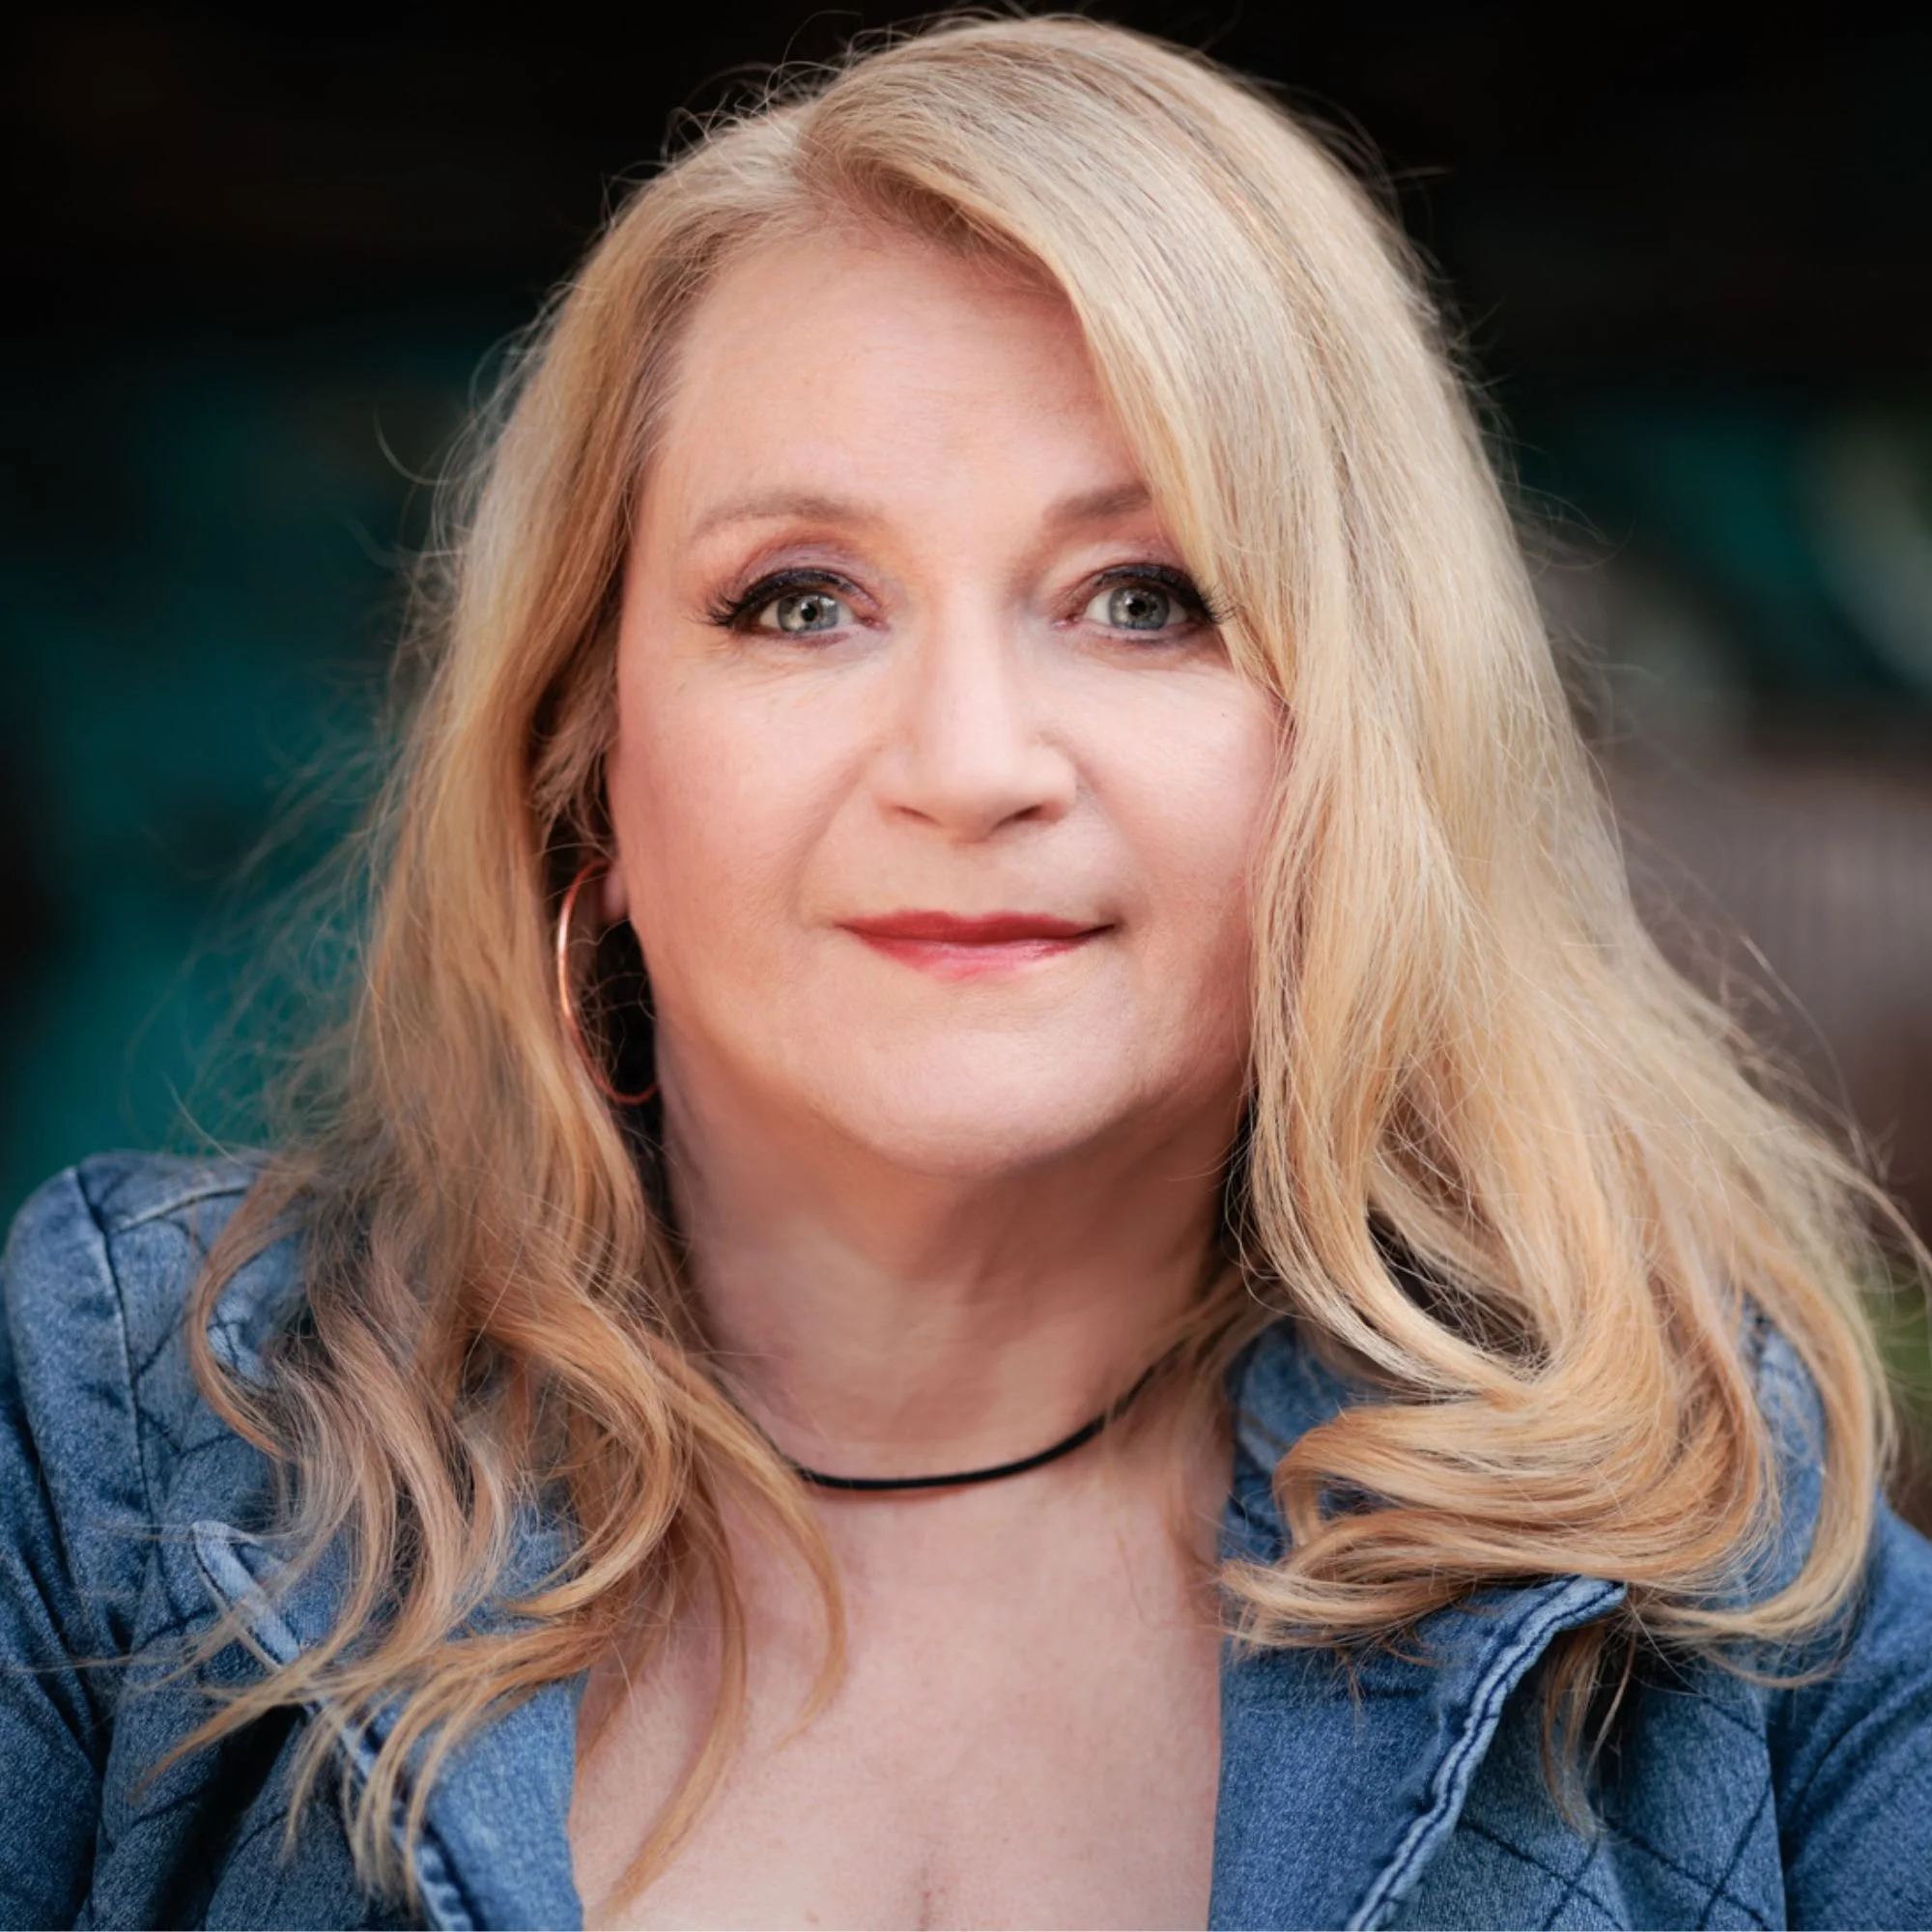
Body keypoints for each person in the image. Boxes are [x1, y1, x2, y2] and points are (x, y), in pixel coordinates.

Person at [3, 14, 1930, 1929]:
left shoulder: (1733, 1596)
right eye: (801, 602)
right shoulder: (114, 1452)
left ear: (1369, 749)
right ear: (588, 763)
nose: (970, 762)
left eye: (1147, 599)